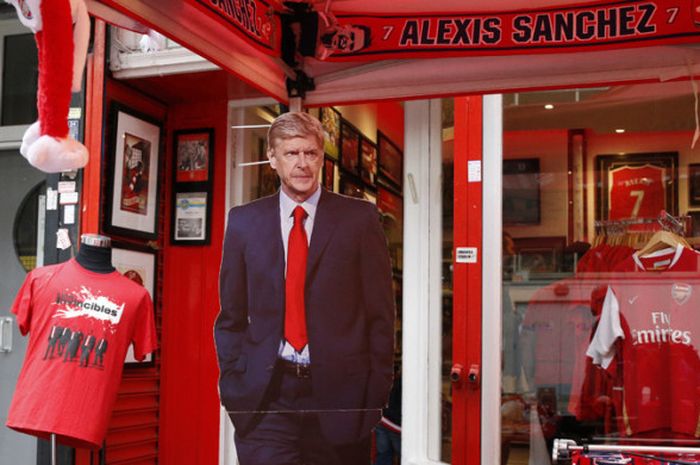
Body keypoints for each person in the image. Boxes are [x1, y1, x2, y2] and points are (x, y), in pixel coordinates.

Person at [215, 111, 395, 465]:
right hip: (267, 396)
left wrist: (372, 399)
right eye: (292, 153)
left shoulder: (359, 219)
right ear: (273, 158)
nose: (302, 164)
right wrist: (234, 383)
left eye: (311, 153)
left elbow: (380, 317)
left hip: (340, 398)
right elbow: (231, 316)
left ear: (322, 158)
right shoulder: (243, 222)